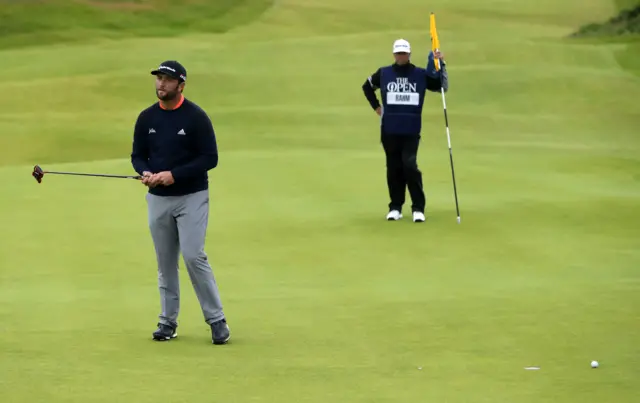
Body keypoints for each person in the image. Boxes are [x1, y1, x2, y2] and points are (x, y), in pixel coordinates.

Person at [130, 60, 230, 344]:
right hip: (158, 199)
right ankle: (167, 322)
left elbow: (210, 158)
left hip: (192, 197)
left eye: (167, 80)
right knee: (165, 262)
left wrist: (174, 175)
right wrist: (145, 172)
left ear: (181, 85)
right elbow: (138, 155)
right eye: (158, 78)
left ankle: (217, 320)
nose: (161, 84)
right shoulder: (147, 118)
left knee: (193, 255)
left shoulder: (196, 117)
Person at [362, 39, 448, 222]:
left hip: (411, 130)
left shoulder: (419, 74)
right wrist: (376, 107)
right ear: (394, 54)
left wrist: (440, 64)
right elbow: (367, 87)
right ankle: (395, 207)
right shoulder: (384, 73)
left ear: (409, 54)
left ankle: (418, 208)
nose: (401, 56)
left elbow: (440, 86)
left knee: (409, 166)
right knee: (393, 168)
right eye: (398, 53)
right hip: (389, 130)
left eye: (404, 53)